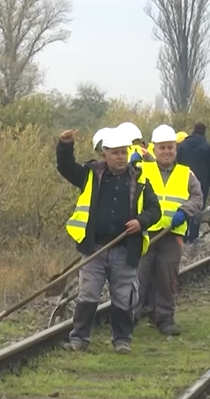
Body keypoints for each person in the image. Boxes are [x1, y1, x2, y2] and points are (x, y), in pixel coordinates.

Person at [56, 127, 161, 354]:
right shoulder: (90, 175)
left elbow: (155, 210)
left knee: (124, 298)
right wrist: (65, 145)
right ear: (105, 155)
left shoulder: (140, 180)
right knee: (88, 295)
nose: (120, 157)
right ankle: (79, 339)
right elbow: (65, 168)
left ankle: (122, 339)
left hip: (125, 249)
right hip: (94, 248)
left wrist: (141, 222)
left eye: (123, 152)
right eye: (115, 153)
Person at [135, 125, 204, 336]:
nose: (167, 152)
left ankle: (164, 319)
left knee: (167, 277)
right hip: (145, 234)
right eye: (163, 148)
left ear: (176, 149)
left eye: (170, 148)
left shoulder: (186, 174)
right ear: (154, 150)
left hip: (171, 235)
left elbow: (198, 198)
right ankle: (130, 317)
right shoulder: (142, 171)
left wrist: (185, 211)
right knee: (139, 276)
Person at [176, 122, 210, 244]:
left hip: (184, 181)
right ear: (204, 132)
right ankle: (193, 236)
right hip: (202, 183)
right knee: (197, 208)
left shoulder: (182, 146)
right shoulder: (207, 147)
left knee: (184, 207)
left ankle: (182, 234)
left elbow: (176, 163)